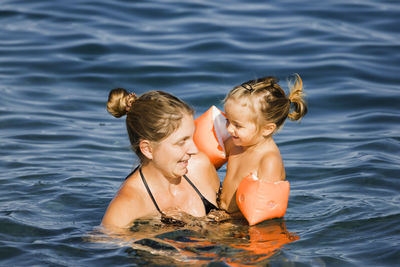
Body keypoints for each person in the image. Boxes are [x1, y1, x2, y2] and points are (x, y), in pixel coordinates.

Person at [101, 88, 220, 232]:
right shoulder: (127, 205)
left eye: (191, 137)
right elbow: (101, 246)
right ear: (148, 149)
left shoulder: (201, 167)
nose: (194, 149)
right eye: (181, 142)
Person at [219, 74, 307, 213]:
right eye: (227, 120)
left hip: (239, 226)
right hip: (220, 214)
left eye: (238, 125)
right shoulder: (235, 143)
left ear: (267, 129)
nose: (229, 129)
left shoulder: (268, 161)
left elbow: (262, 209)